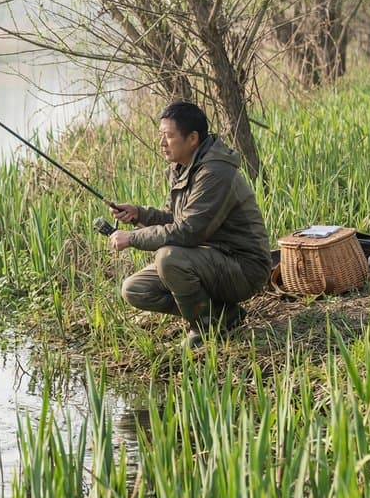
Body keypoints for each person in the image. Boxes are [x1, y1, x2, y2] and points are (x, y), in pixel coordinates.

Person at [107, 101, 271, 348]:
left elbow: (187, 232)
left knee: (168, 257)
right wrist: (139, 214)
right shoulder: (182, 167)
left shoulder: (215, 173)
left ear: (192, 138)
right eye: (161, 135)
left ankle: (205, 327)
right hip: (211, 259)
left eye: (169, 136)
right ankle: (222, 316)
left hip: (244, 268)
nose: (162, 143)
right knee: (135, 289)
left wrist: (132, 238)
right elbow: (174, 218)